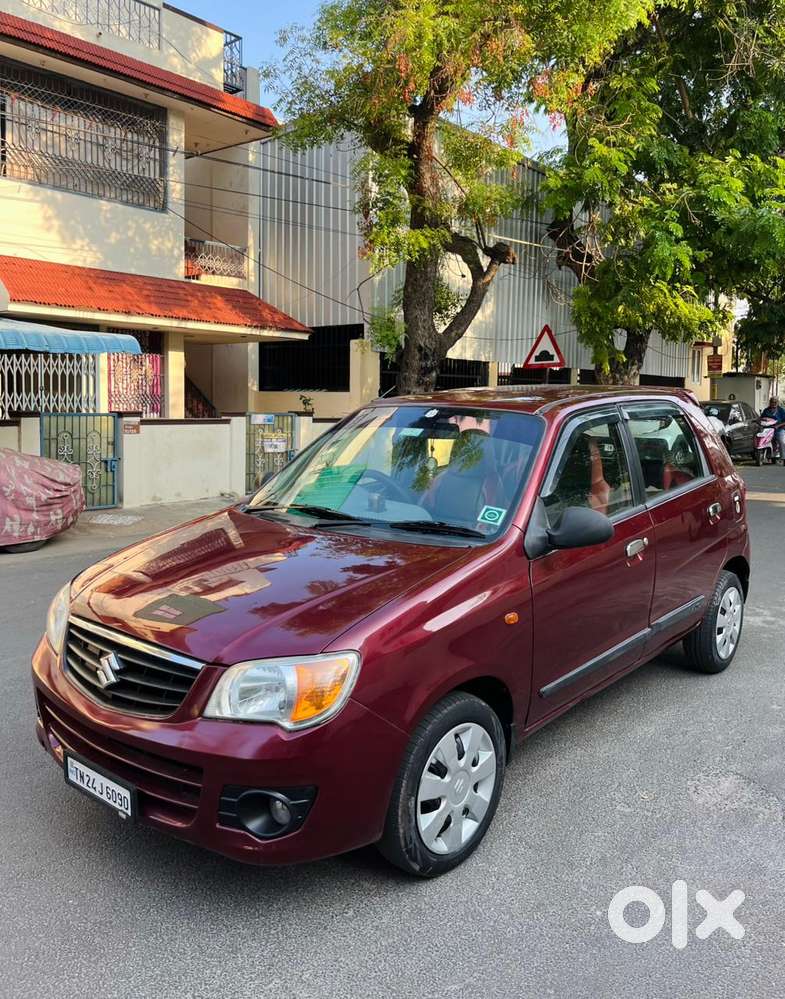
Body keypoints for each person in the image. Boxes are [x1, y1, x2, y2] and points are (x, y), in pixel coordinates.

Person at [761, 396, 785, 463]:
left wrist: (778, 426)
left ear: (777, 403)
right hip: (768, 429)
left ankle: (783, 457)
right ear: (770, 402)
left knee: (781, 441)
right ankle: (770, 456)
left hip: (779, 429)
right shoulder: (766, 410)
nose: (773, 403)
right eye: (772, 402)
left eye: (775, 402)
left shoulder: (781, 410)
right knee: (765, 441)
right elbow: (761, 418)